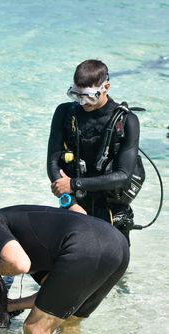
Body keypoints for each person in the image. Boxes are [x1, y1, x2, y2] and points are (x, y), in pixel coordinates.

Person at [0, 205, 129, 334]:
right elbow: (53, 295)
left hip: (83, 246)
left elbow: (20, 265)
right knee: (69, 320)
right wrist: (11, 305)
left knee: (35, 328)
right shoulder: (29, 246)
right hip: (117, 244)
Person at [47, 59, 144, 242]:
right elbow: (53, 163)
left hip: (112, 211)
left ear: (106, 87)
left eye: (89, 96)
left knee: (114, 269)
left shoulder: (127, 121)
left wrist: (74, 184)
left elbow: (123, 175)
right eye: (76, 95)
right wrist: (70, 202)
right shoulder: (64, 113)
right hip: (74, 206)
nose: (83, 102)